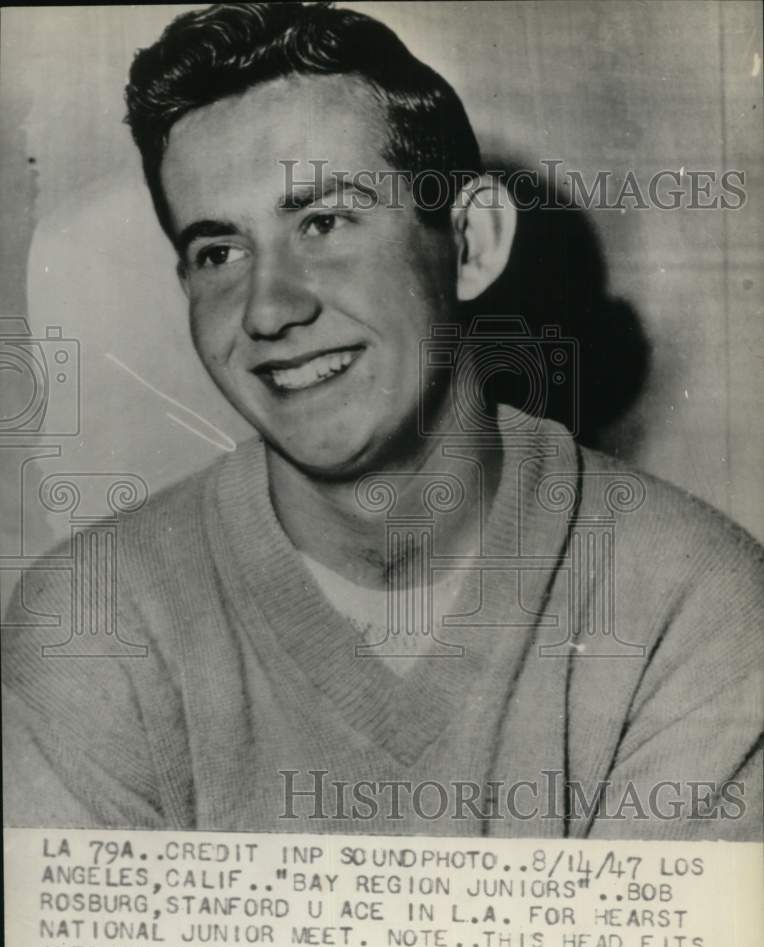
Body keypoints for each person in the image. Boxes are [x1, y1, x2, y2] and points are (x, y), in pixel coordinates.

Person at [2, 1, 762, 839]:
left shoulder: (692, 605)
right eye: (219, 252)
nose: (269, 308)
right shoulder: (99, 617)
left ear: (471, 242)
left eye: (324, 222)